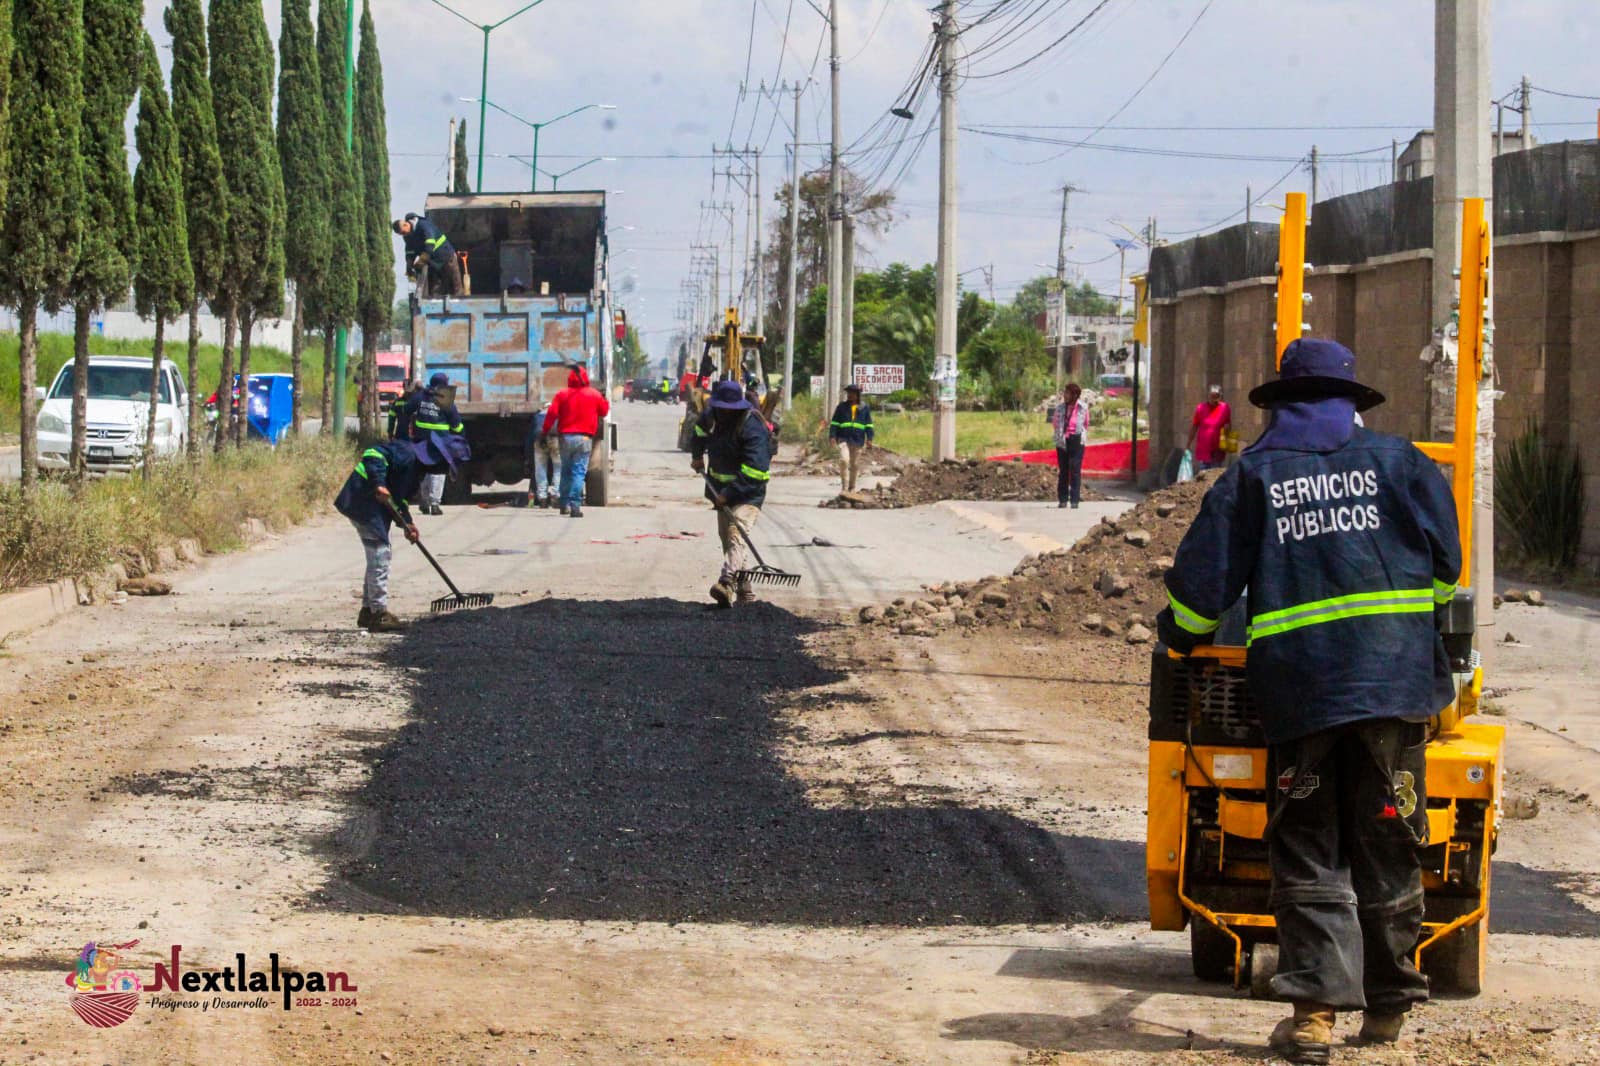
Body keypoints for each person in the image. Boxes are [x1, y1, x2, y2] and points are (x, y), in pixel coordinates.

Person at [1156, 339, 1461, 1065]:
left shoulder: (1254, 476)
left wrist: (1179, 637)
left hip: (1305, 698)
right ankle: (1388, 1008)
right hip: (1396, 695)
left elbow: (1202, 595)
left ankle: (1316, 1020)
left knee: (1309, 847)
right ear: (1349, 403)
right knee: (1389, 836)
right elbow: (1445, 574)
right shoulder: (1404, 464)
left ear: (1282, 406)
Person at [334, 430, 472, 632]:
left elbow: (400, 499)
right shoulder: (407, 452)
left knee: (378, 556)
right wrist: (379, 484)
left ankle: (368, 611)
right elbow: (373, 454)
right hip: (361, 500)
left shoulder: (416, 471)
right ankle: (379, 613)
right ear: (437, 459)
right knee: (380, 554)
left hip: (370, 506)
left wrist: (408, 524)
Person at [690, 380, 772, 608]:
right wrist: (697, 455)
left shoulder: (752, 426)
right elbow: (697, 432)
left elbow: (755, 470)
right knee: (729, 541)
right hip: (719, 490)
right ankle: (746, 595)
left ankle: (726, 582)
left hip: (748, 492)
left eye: (729, 409)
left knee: (736, 533)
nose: (724, 412)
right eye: (721, 408)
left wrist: (729, 493)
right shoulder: (712, 415)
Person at [540, 365, 610, 518]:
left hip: (565, 438)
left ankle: (563, 504)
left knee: (565, 470)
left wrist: (544, 431)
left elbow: (551, 414)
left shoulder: (562, 395)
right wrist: (603, 400)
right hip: (584, 438)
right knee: (578, 472)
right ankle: (575, 506)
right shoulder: (594, 394)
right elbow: (604, 411)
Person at [400, 372, 464, 515]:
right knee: (438, 472)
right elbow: (457, 426)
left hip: (421, 441)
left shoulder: (420, 397)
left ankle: (424, 502)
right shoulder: (446, 401)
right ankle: (434, 504)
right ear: (444, 385)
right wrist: (459, 436)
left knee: (423, 471)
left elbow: (405, 409)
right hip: (440, 444)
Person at [392, 214, 463, 298]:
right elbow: (410, 252)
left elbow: (430, 246)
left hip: (446, 257)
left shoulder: (424, 225)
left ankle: (460, 305)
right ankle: (436, 308)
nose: (404, 235)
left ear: (406, 224)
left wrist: (420, 263)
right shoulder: (407, 236)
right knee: (435, 290)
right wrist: (409, 266)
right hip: (433, 263)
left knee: (455, 286)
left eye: (403, 232)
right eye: (401, 234)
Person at [828, 383, 875, 493]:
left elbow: (869, 425)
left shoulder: (864, 408)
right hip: (843, 439)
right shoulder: (841, 407)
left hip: (858, 440)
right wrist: (832, 436)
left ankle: (852, 487)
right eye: (848, 393)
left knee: (855, 464)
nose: (849, 395)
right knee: (844, 460)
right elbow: (834, 423)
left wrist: (869, 438)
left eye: (852, 393)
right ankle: (844, 487)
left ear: (858, 394)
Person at [1052, 382, 1090, 508]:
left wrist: (1077, 434)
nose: (1065, 395)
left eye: (1067, 393)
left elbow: (1086, 423)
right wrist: (1061, 434)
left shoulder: (1083, 407)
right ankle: (1062, 499)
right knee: (1063, 470)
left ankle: (1074, 500)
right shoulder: (1060, 408)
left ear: (1074, 395)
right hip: (1062, 440)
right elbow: (1055, 423)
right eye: (1064, 392)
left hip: (1076, 440)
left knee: (1075, 469)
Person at [521, 402, 562, 508]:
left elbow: (530, 438)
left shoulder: (537, 416)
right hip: (555, 440)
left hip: (539, 440)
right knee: (558, 468)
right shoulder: (559, 414)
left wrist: (528, 456)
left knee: (540, 469)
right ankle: (555, 495)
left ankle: (542, 497)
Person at [1187, 383, 1232, 471]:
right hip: (1204, 449)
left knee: (1214, 475)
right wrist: (1188, 444)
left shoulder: (1225, 408)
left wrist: (1227, 431)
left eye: (1217, 396)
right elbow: (1195, 426)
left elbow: (1228, 424)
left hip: (1218, 450)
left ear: (1220, 396)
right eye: (1212, 396)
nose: (1214, 399)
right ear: (1208, 396)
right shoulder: (1201, 408)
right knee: (1203, 475)